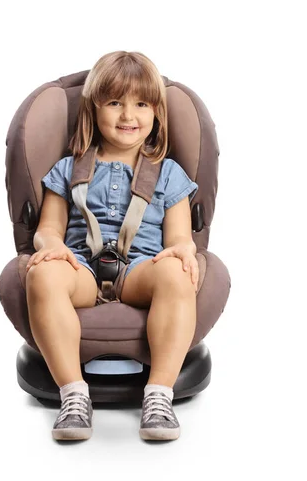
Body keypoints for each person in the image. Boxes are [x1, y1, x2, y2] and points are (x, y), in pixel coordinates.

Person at [25, 50, 199, 441]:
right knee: (42, 273)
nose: (128, 116)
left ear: (157, 113)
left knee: (176, 269)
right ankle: (72, 395)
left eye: (141, 104)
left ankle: (158, 395)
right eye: (115, 102)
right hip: (82, 270)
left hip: (141, 271)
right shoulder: (69, 169)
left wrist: (184, 252)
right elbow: (48, 228)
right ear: (93, 108)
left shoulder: (169, 174)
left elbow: (178, 240)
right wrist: (52, 247)